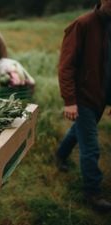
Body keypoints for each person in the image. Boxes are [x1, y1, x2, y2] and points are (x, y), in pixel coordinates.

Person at [56, 0, 111, 212]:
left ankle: (60, 155)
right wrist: (70, 101)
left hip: (100, 95)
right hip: (83, 97)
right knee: (91, 146)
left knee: (79, 131)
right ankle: (93, 192)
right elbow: (66, 66)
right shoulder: (82, 24)